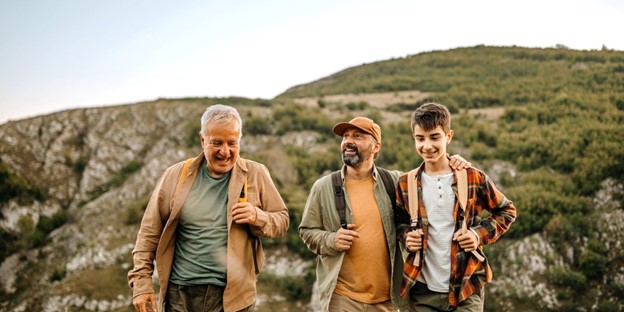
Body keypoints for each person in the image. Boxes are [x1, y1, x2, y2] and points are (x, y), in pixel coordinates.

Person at [127, 104, 289, 312]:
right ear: (202, 140)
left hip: (233, 299)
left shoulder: (255, 173)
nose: (225, 151)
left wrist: (257, 216)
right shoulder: (175, 175)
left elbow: (282, 220)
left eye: (232, 143)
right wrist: (141, 284)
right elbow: (149, 232)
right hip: (180, 296)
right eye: (217, 142)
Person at [299, 117, 470, 312]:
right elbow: (306, 231)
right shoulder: (323, 187)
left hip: (388, 300)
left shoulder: (396, 181)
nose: (348, 141)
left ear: (376, 146)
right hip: (342, 298)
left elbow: (432, 177)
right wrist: (331, 240)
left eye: (357, 136)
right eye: (345, 136)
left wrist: (452, 162)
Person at [395, 102, 517, 311]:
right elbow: (398, 222)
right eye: (420, 138)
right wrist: (407, 236)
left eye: (435, 137)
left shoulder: (472, 177)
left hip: (466, 284)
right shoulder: (406, 183)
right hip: (423, 290)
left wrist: (478, 235)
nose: (427, 145)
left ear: (448, 136)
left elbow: (507, 211)